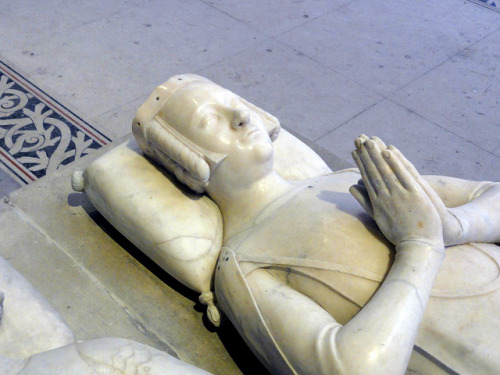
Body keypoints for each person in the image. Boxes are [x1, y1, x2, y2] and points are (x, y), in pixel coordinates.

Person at [133, 74, 500, 375]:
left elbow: (489, 191)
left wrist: (454, 225)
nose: (240, 117)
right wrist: (421, 246)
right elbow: (347, 369)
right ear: (186, 162)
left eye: (235, 103)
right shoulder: (243, 264)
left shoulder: (340, 180)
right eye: (209, 121)